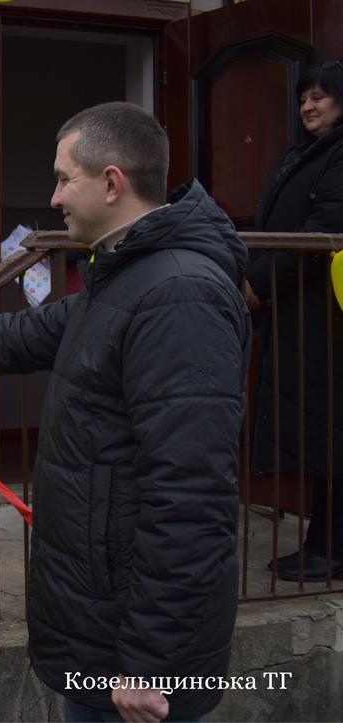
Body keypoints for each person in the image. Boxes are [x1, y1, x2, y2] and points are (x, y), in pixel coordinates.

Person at [0, 103, 251, 723]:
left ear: (112, 183)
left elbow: (190, 495)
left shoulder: (177, 295)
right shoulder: (123, 278)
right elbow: (12, 337)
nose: (54, 197)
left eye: (65, 179)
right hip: (99, 623)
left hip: (136, 663)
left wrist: (153, 661)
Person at [244, 59, 343, 581]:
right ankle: (323, 543)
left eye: (321, 95)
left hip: (327, 317)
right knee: (323, 430)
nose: (309, 104)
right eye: (304, 95)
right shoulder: (308, 152)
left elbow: (322, 231)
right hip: (302, 314)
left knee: (332, 427)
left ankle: (333, 549)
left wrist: (258, 283)